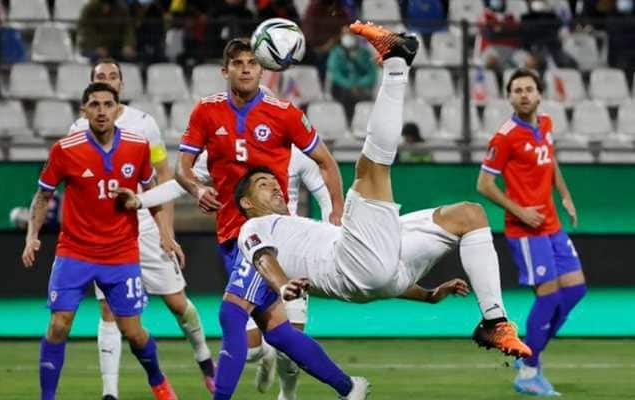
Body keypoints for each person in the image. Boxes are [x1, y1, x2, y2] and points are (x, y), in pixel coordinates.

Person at [228, 21, 531, 361]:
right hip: (351, 265)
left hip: (381, 269)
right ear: (246, 203)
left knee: (469, 215)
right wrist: (283, 285)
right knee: (371, 170)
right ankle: (397, 63)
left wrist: (428, 294)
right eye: (264, 186)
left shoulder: (300, 226)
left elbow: (381, 275)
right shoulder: (252, 229)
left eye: (274, 182)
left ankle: (495, 321)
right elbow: (262, 258)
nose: (277, 189)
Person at [175, 37, 344, 399]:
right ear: (226, 71)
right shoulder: (206, 111)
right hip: (229, 234)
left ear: (263, 68)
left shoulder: (284, 112)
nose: (246, 68)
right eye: (238, 63)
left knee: (231, 315)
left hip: (269, 235)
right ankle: (349, 388)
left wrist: (337, 212)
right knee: (278, 333)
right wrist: (196, 189)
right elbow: (182, 168)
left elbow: (326, 162)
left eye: (253, 62)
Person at [68, 59, 215, 399]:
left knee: (178, 303)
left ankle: (205, 360)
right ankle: (110, 392)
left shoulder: (144, 124)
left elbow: (162, 177)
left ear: (121, 84)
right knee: (109, 311)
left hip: (145, 224)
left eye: (113, 76)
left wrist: (167, 231)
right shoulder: (77, 130)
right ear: (90, 88)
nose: (108, 81)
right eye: (100, 77)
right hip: (106, 234)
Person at [21, 83, 177, 400]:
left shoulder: (137, 146)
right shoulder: (65, 149)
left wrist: (164, 234)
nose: (102, 110)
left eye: (108, 104)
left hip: (121, 253)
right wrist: (32, 236)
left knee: (133, 333)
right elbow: (43, 196)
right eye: (95, 104)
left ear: (117, 108)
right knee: (59, 325)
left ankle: (158, 381)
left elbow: (152, 195)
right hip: (74, 251)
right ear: (84, 110)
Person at [477, 68, 587, 397]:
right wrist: (520, 210)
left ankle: (530, 351)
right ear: (509, 97)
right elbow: (483, 184)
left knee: (576, 291)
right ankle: (528, 370)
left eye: (529, 89)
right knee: (549, 297)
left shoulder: (546, 125)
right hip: (526, 231)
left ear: (539, 94)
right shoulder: (505, 136)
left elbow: (550, 161)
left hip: (552, 224)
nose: (524, 94)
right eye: (517, 90)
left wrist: (564, 195)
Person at [327, 25, 377, 123]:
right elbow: (335, 74)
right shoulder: (336, 53)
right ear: (341, 36)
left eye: (350, 34)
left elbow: (372, 74)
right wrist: (351, 85)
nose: (348, 36)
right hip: (342, 87)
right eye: (345, 34)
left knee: (366, 97)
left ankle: (364, 124)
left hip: (362, 88)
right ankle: (348, 123)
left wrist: (359, 84)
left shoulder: (365, 53)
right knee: (348, 96)